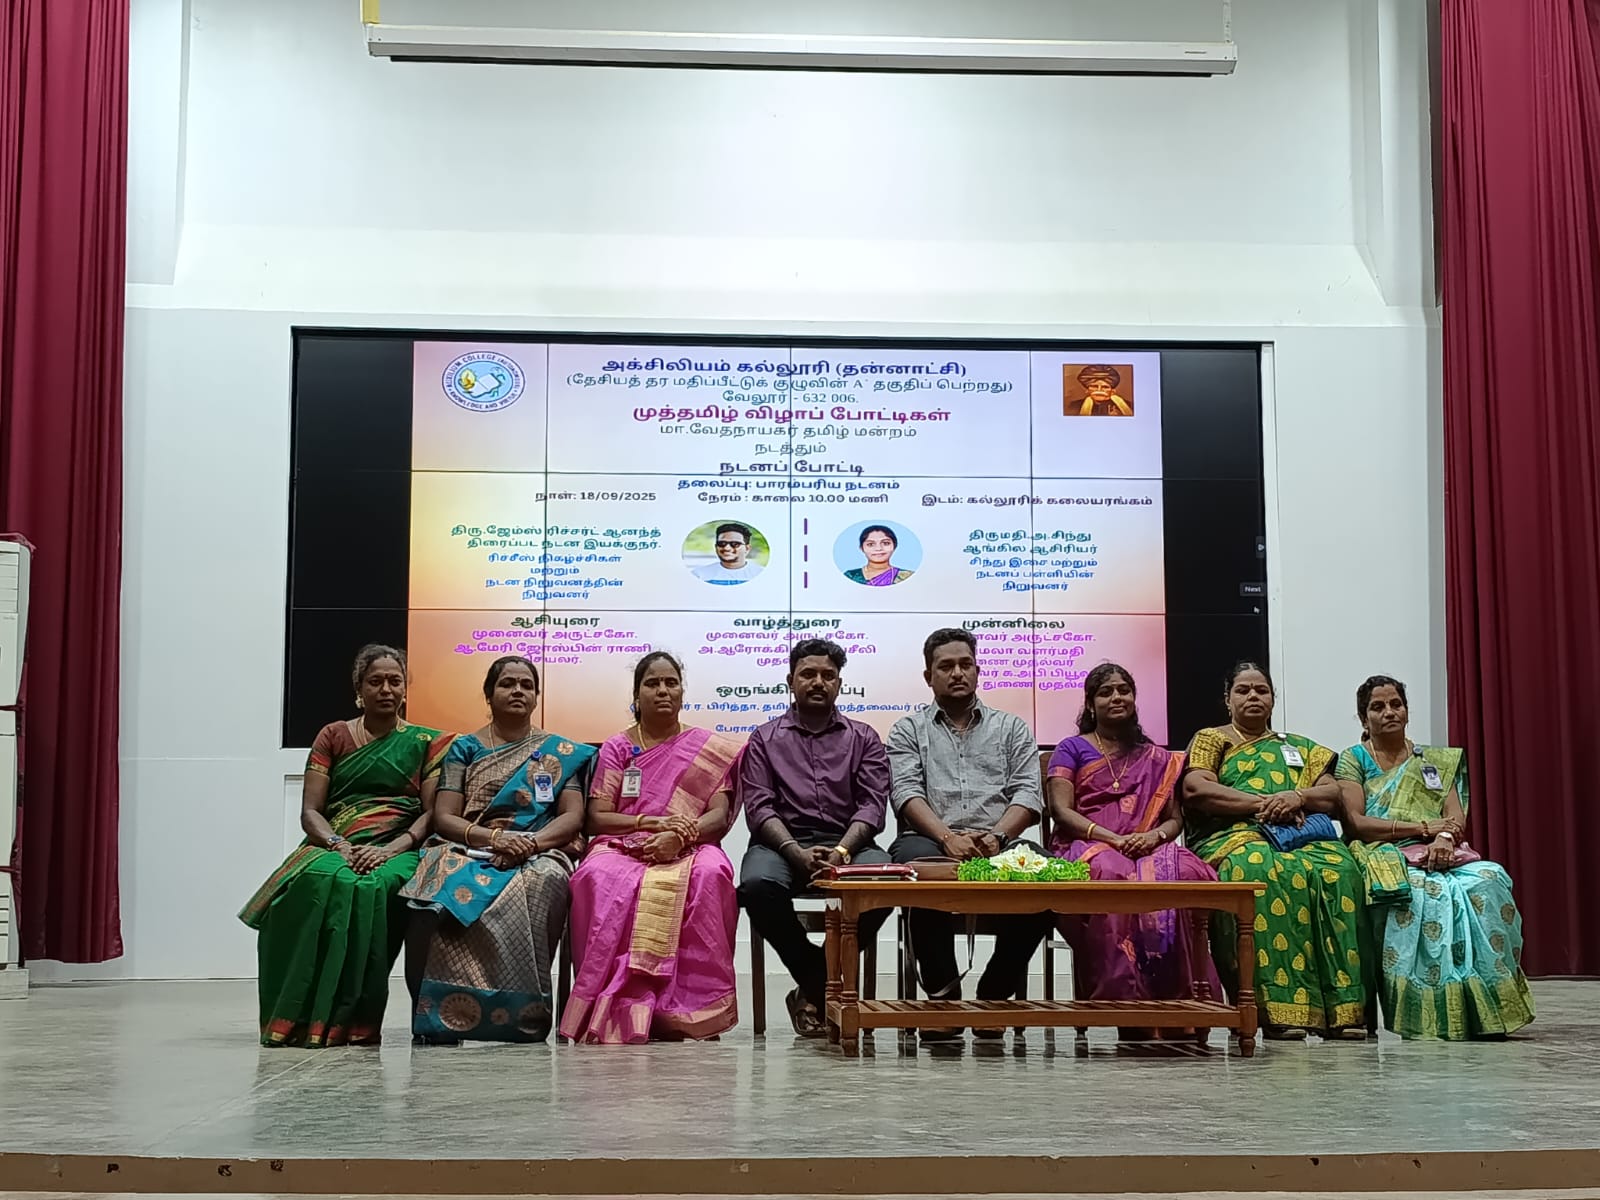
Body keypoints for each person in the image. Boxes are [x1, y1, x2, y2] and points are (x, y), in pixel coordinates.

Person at [240, 644, 451, 1047]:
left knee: (371, 887)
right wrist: (337, 843)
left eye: (395, 681)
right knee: (313, 882)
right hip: (335, 842)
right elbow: (310, 811)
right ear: (359, 689)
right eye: (376, 681)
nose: (386, 689)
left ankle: (354, 1021)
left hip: (400, 847)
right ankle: (297, 1016)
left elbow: (432, 813)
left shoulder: (428, 741)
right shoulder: (333, 735)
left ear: (405, 689)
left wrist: (392, 849)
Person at [400, 655, 595, 1043]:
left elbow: (572, 817)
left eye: (526, 685)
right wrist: (493, 839)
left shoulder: (558, 751)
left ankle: (522, 1017)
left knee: (544, 881)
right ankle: (438, 1018)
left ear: (537, 696)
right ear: (489, 694)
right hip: (468, 845)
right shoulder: (465, 748)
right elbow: (445, 817)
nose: (518, 691)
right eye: (507, 683)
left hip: (538, 849)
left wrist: (529, 844)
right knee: (433, 892)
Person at [1335, 675, 1534, 1040]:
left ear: (1407, 711)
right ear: (1364, 718)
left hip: (1441, 851)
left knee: (1489, 879)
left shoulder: (1433, 761)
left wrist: (1443, 838)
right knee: (1423, 891)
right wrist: (1423, 827)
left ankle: (1487, 1010)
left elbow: (1455, 817)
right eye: (1378, 707)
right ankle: (1432, 1014)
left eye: (1396, 704)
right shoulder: (1355, 759)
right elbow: (1357, 823)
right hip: (1384, 851)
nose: (1389, 712)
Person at [560, 652, 743, 1043]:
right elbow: (598, 818)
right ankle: (615, 1005)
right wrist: (647, 824)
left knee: (711, 873)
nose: (663, 690)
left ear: (682, 692)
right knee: (595, 875)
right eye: (652, 683)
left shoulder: (707, 749)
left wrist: (680, 837)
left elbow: (718, 815)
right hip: (624, 843)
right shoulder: (617, 747)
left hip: (691, 843)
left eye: (671, 683)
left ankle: (692, 1010)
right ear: (636, 694)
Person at [1182, 661, 1368, 1040]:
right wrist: (1265, 804)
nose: (1253, 696)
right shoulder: (1212, 739)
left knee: (1340, 869)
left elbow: (1331, 793)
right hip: (1235, 835)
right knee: (1261, 870)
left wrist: (1296, 796)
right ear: (1227, 699)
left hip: (1299, 837)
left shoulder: (1298, 747)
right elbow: (1196, 788)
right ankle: (1272, 1010)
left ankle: (1342, 1011)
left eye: (1261, 690)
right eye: (1243, 690)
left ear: (1273, 698)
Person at [887, 628, 1049, 1037]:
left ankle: (994, 992)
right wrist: (947, 838)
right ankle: (943, 997)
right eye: (946, 666)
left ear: (978, 670)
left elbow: (1028, 794)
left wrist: (997, 837)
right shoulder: (908, 730)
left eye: (965, 664)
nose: (957, 673)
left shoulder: (1011, 728)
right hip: (931, 839)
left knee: (1047, 878)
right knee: (917, 868)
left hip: (999, 840)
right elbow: (906, 792)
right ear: (929, 676)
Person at [737, 638, 893, 1036]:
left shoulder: (864, 738)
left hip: (849, 843)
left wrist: (842, 850)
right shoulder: (764, 739)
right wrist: (794, 851)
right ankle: (820, 981)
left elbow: (872, 806)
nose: (818, 682)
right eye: (808, 674)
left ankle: (811, 990)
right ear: (790, 681)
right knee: (756, 885)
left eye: (828, 675)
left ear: (840, 683)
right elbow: (759, 808)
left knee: (885, 882)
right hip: (782, 844)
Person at [1047, 663, 1221, 1015]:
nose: (1117, 697)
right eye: (1106, 692)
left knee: (1187, 873)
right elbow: (1061, 811)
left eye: (1124, 690)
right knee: (1111, 872)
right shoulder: (1071, 748)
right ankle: (1124, 997)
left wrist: (1153, 836)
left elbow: (1174, 819)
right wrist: (1112, 838)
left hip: (1146, 845)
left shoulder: (1156, 757)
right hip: (1087, 844)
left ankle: (1182, 1000)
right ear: (1090, 703)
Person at [692, 521, 763, 584]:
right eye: (722, 543)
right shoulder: (699, 575)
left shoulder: (761, 574)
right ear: (716, 546)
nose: (727, 548)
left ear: (747, 548)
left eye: (735, 544)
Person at [843, 524, 914, 586]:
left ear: (894, 546)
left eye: (885, 543)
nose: (878, 548)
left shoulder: (908, 576)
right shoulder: (850, 576)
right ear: (862, 548)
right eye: (870, 544)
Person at [1068, 365, 1133, 416]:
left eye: (1105, 387)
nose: (1099, 390)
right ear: (1087, 390)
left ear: (1113, 391)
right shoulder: (1075, 406)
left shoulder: (1129, 406)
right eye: (1094, 386)